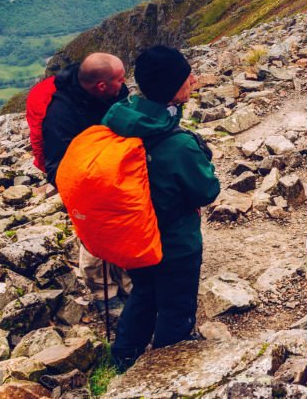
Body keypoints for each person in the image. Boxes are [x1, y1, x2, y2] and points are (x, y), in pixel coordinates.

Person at [107, 46, 221, 372]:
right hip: (175, 243)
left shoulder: (121, 119)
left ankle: (124, 355)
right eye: (188, 77)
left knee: (144, 292)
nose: (194, 80)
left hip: (134, 237)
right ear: (173, 88)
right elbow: (206, 191)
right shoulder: (178, 144)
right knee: (176, 305)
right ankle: (167, 369)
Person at [42, 53, 131, 314]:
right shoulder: (61, 113)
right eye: (119, 78)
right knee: (94, 237)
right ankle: (103, 293)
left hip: (116, 176)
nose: (124, 82)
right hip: (84, 184)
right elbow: (56, 164)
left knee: (123, 229)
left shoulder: (115, 92)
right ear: (101, 86)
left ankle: (128, 283)